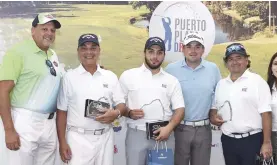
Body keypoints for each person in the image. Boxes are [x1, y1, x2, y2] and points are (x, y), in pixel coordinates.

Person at [0, 13, 62, 165]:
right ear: (33, 30)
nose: (49, 33)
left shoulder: (52, 55)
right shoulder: (18, 52)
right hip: (24, 122)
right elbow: (2, 91)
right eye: (44, 29)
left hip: (48, 124)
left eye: (52, 30)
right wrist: (9, 130)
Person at [56, 33, 127, 165]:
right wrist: (62, 142)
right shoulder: (69, 78)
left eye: (93, 48)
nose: (89, 52)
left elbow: (121, 104)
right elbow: (61, 112)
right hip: (78, 140)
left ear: (99, 51)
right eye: (84, 48)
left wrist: (116, 113)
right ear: (78, 51)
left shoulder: (110, 76)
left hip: (106, 138)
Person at [119, 36, 185, 165]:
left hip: (164, 135)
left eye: (159, 52)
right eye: (151, 51)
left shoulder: (172, 81)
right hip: (136, 134)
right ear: (144, 53)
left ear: (164, 55)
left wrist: (169, 128)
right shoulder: (128, 76)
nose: (155, 56)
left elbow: (180, 109)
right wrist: (129, 112)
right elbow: (119, 105)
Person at [210, 43, 273, 165]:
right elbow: (214, 108)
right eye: (231, 59)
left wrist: (266, 142)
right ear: (226, 63)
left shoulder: (257, 81)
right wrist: (213, 116)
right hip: (228, 140)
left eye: (238, 58)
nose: (235, 62)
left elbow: (266, 114)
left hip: (252, 140)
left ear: (246, 60)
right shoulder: (221, 84)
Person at [165, 32, 221, 165]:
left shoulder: (213, 69)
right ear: (182, 49)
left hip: (204, 129)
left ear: (203, 50)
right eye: (189, 46)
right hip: (179, 129)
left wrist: (213, 113)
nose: (193, 50)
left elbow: (217, 96)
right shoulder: (171, 69)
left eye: (197, 47)